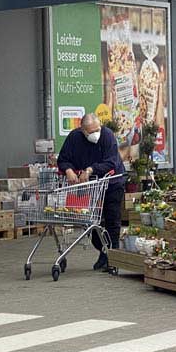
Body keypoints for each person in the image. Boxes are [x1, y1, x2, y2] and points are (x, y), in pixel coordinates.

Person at [56, 113, 125, 271]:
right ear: (82, 130)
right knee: (93, 222)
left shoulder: (107, 136)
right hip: (91, 186)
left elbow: (111, 162)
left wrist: (90, 169)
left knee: (112, 220)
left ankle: (112, 258)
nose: (95, 134)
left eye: (97, 129)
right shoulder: (74, 138)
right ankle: (103, 252)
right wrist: (68, 170)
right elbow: (63, 159)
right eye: (91, 131)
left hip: (112, 182)